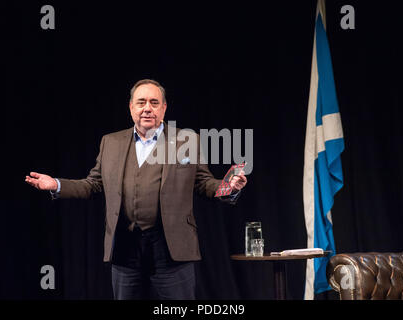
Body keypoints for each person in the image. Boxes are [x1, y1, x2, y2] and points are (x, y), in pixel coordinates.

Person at [25, 79, 247, 300]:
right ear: (131, 107)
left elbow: (203, 183)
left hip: (171, 249)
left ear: (164, 108)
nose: (147, 108)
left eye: (154, 102)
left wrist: (230, 186)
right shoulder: (110, 142)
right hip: (124, 247)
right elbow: (92, 184)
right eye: (141, 102)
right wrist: (57, 184)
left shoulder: (185, 140)